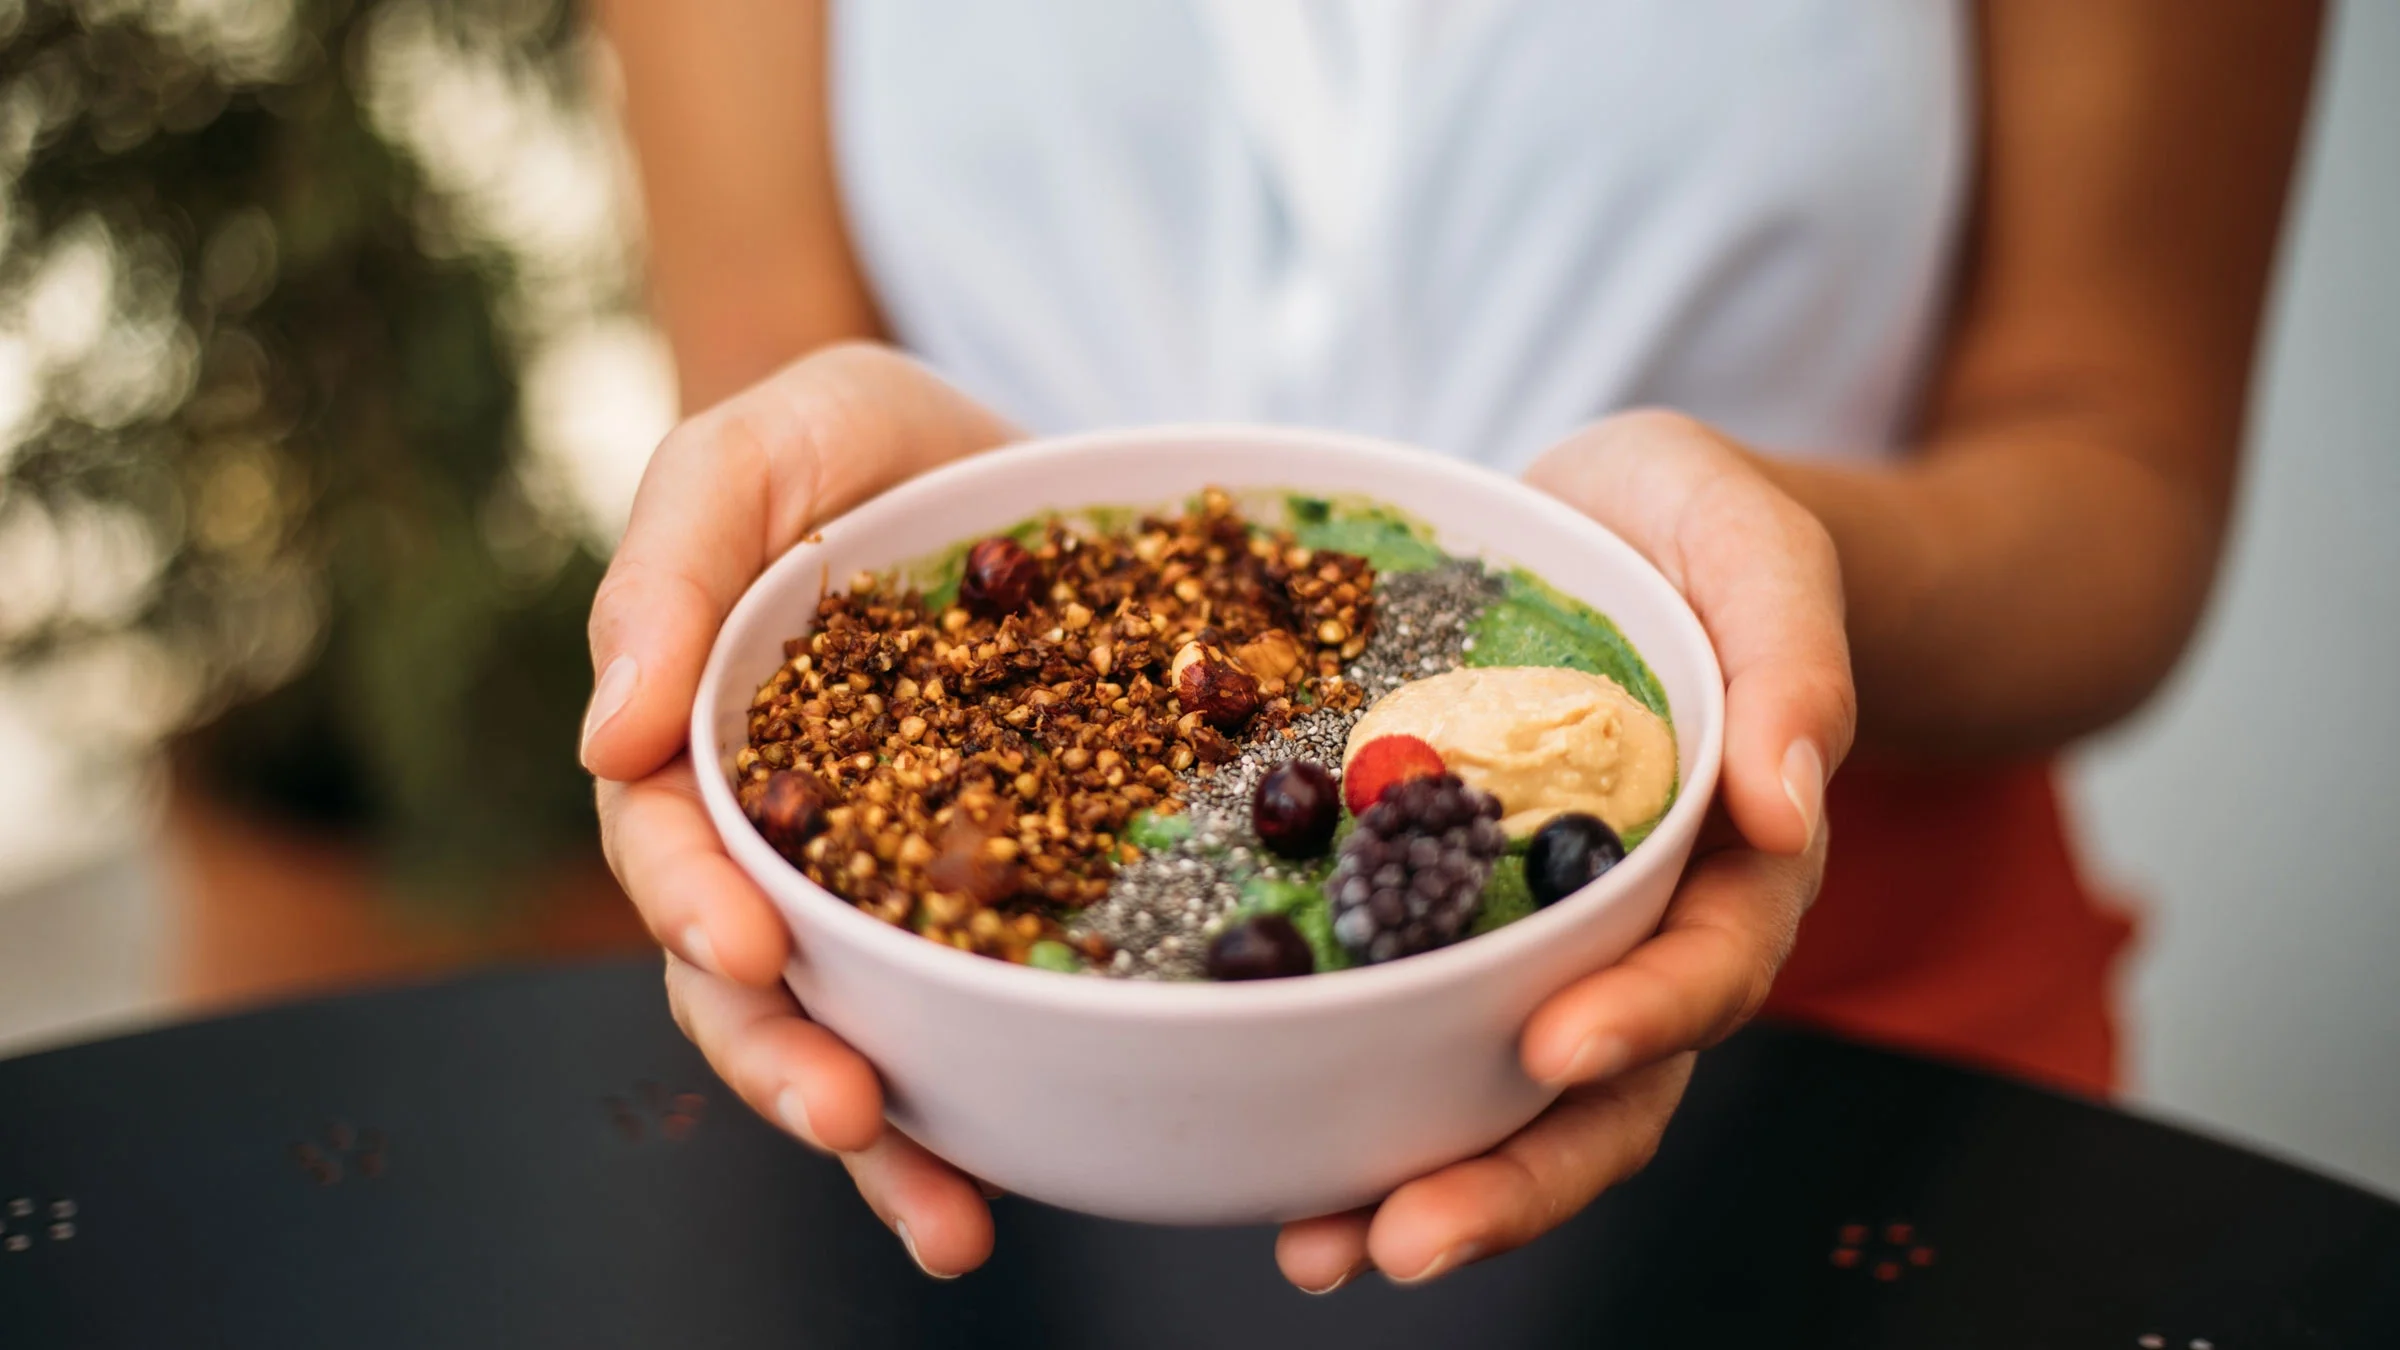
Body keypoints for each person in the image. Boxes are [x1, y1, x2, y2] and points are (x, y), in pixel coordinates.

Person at [577, 0, 2319, 1291]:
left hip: (1829, 1052)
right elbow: (765, 354)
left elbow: (2119, 456)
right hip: (960, 1072)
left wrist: (1754, 598)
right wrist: (754, 582)